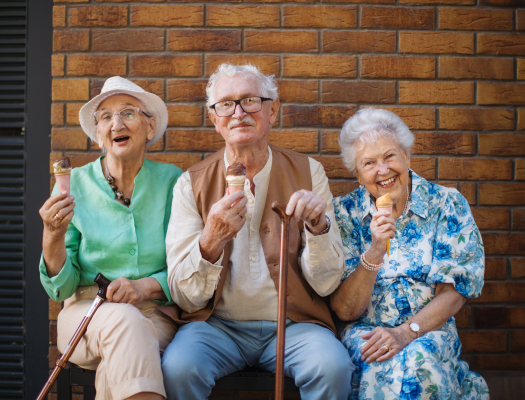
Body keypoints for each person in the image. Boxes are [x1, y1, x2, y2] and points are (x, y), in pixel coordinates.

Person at [160, 64, 354, 400]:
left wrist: (317, 227)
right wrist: (210, 240)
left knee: (333, 367)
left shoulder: (309, 172)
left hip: (294, 325)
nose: (238, 113)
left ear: (272, 109)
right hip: (216, 327)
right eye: (226, 104)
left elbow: (327, 283)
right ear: (214, 118)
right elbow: (184, 296)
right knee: (178, 368)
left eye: (251, 100)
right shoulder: (190, 184)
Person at [38, 77, 182, 400]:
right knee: (127, 326)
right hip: (85, 315)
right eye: (106, 117)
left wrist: (144, 286)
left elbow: (185, 268)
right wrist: (52, 236)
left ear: (150, 126)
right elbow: (60, 287)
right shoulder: (73, 185)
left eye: (128, 113)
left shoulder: (173, 182)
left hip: (155, 314)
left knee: (117, 365)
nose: (116, 123)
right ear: (99, 135)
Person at [331, 108, 489, 400]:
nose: (383, 170)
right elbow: (345, 310)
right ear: (357, 173)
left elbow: (454, 293)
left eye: (390, 156)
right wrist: (376, 249)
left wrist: (407, 331)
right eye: (369, 163)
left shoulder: (446, 204)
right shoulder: (343, 214)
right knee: (377, 360)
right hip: (366, 329)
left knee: (421, 361)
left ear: (407, 156)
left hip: (427, 327)